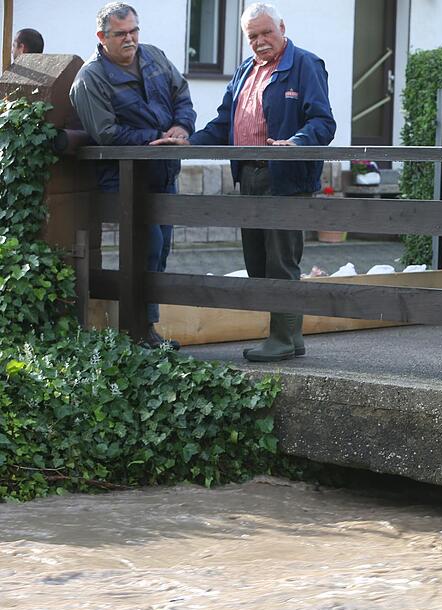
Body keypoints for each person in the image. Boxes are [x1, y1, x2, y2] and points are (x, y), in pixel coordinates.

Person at [153, 2, 335, 362]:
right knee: (257, 261)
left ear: (282, 27)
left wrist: (295, 143)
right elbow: (224, 125)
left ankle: (281, 338)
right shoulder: (242, 72)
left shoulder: (305, 65)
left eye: (267, 32)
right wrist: (188, 142)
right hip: (248, 175)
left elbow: (323, 123)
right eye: (253, 36)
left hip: (284, 176)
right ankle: (291, 336)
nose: (261, 41)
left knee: (281, 262)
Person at [70, 2, 195, 350]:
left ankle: (146, 330)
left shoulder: (154, 56)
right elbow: (105, 133)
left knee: (161, 250)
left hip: (164, 170)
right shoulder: (90, 78)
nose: (130, 39)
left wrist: (180, 127)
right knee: (147, 248)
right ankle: (137, 333)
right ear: (102, 36)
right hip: (124, 178)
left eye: (134, 31)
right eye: (121, 33)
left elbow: (181, 95)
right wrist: (152, 141)